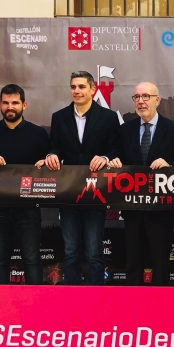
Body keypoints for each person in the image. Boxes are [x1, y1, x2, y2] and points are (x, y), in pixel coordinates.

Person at [42, 71, 122, 285]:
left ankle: (95, 296)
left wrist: (105, 158)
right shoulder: (59, 117)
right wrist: (51, 156)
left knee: (94, 252)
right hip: (68, 193)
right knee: (70, 251)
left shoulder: (108, 117)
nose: (76, 91)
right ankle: (72, 295)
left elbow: (116, 150)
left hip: (95, 193)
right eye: (73, 87)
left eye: (81, 87)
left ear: (93, 89)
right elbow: (54, 147)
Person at [108, 82, 174, 286]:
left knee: (160, 264)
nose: (141, 101)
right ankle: (132, 302)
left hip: (161, 209)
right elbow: (116, 156)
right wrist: (114, 161)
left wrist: (169, 165)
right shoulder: (124, 130)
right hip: (132, 208)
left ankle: (161, 303)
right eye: (136, 97)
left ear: (157, 100)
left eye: (146, 96)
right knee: (133, 262)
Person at [0, 84, 49, 285]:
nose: (10, 107)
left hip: (29, 207)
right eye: (6, 103)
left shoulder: (38, 134)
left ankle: (35, 300)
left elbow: (50, 166)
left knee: (32, 259)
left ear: (24, 105)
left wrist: (45, 163)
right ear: (0, 105)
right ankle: (0, 301)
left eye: (15, 102)